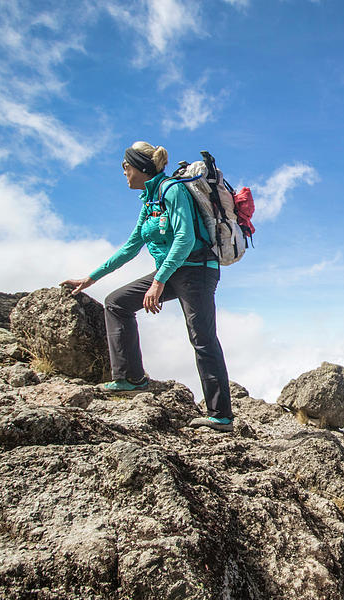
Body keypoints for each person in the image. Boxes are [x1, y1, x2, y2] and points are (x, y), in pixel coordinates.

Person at [62, 141, 234, 432]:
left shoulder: (172, 190)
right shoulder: (150, 199)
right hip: (172, 270)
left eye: (126, 167)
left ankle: (221, 416)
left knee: (202, 338)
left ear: (140, 168)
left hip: (197, 270)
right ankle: (131, 377)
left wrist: (158, 281)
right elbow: (131, 247)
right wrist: (89, 278)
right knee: (117, 302)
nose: (124, 173)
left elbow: (185, 239)